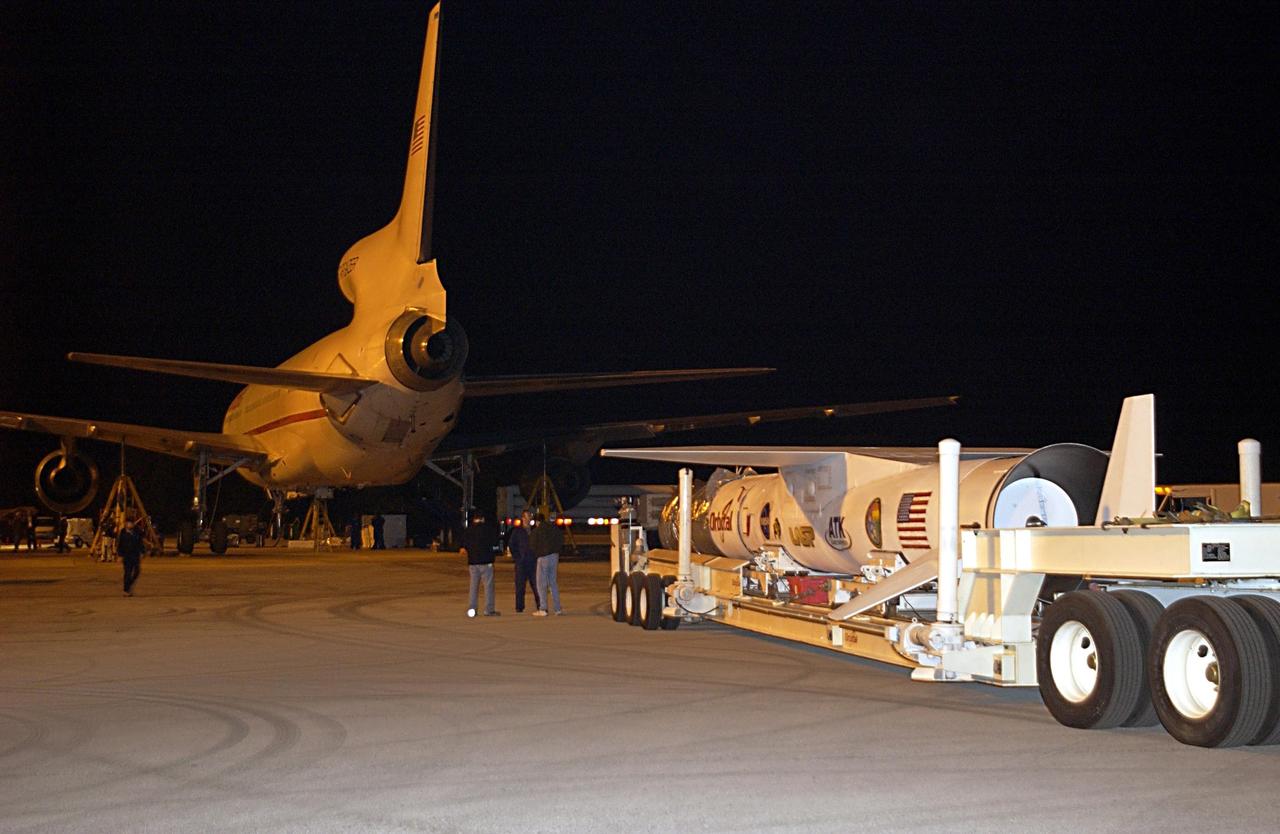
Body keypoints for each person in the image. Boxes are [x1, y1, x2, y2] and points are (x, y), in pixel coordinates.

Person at [460, 509, 499, 616]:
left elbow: (465, 545)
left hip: (473, 562)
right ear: (482, 519)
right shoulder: (487, 529)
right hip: (486, 561)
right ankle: (489, 609)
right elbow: (494, 544)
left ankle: (472, 608)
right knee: (488, 586)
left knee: (473, 586)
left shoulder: (469, 530)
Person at [529, 513, 564, 616]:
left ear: (537, 522)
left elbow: (532, 545)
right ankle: (557, 609)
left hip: (543, 557)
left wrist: (537, 553)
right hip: (554, 556)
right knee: (553, 582)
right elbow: (561, 539)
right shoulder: (553, 528)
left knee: (541, 583)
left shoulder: (536, 531)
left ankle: (543, 608)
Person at [507, 510, 541, 613]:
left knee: (536, 585)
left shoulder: (535, 531)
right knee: (520, 586)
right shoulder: (517, 531)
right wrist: (517, 557)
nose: (528, 519)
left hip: (533, 562)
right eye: (526, 517)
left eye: (529, 517)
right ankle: (519, 607)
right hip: (521, 563)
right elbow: (512, 545)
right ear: (522, 518)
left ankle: (540, 605)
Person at [117, 516, 144, 596]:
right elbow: (120, 544)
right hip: (126, 555)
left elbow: (140, 542)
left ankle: (129, 586)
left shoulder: (136, 531)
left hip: (135, 555)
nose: (130, 524)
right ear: (126, 524)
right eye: (128, 523)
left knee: (137, 572)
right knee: (127, 573)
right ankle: (126, 590)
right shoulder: (123, 532)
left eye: (131, 523)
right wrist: (120, 555)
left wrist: (142, 552)